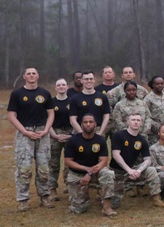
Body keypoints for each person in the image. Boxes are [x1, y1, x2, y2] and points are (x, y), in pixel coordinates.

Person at [8, 67, 55, 211]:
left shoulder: (45, 93)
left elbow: (51, 113)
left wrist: (46, 130)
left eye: (34, 73)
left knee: (44, 168)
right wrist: (25, 132)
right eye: (29, 73)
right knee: (24, 168)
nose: (31, 75)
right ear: (24, 77)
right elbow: (11, 115)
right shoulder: (17, 94)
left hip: (42, 133)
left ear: (38, 76)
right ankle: (23, 200)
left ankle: (45, 196)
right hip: (25, 133)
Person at [110, 113, 164, 210]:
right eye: (133, 120)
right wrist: (129, 170)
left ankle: (156, 198)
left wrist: (139, 170)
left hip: (132, 171)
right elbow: (115, 155)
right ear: (128, 122)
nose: (136, 122)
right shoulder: (118, 135)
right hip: (116, 172)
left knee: (151, 170)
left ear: (141, 123)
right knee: (114, 204)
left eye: (138, 120)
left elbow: (147, 160)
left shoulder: (142, 140)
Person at [64, 114, 116, 215]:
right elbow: (68, 161)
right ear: (81, 124)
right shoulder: (73, 140)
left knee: (108, 174)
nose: (88, 124)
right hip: (77, 175)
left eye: (91, 122)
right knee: (79, 210)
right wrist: (85, 169)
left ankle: (107, 206)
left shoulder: (100, 140)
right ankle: (84, 196)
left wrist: (90, 173)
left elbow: (104, 161)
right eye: (85, 122)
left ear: (95, 124)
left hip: (95, 173)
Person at [47, 78, 74, 200]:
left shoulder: (73, 101)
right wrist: (54, 135)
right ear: (55, 87)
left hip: (70, 133)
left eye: (63, 84)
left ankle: (69, 184)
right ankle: (52, 189)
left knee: (70, 162)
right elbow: (47, 120)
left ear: (67, 86)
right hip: (55, 133)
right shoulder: (51, 102)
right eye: (59, 85)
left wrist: (72, 134)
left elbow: (77, 119)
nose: (61, 87)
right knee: (53, 163)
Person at [69, 71, 111, 137]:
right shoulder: (75, 98)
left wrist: (100, 132)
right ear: (82, 81)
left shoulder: (102, 97)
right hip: (81, 131)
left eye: (91, 79)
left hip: (98, 131)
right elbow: (72, 119)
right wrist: (82, 133)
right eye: (86, 79)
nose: (89, 81)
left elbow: (106, 116)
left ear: (94, 80)